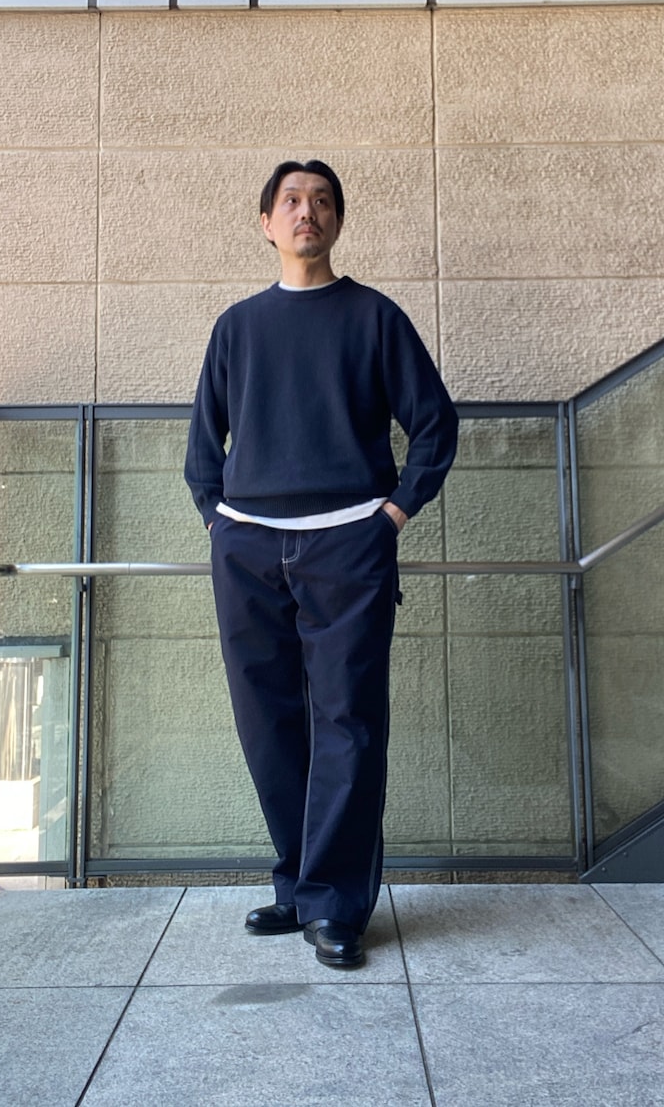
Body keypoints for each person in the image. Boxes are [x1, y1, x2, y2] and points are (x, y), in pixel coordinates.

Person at [184, 159, 458, 969]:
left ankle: (336, 905)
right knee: (267, 723)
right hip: (248, 548)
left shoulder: (374, 318)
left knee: (348, 724)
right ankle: (299, 886)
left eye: (323, 201)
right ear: (266, 223)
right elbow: (202, 448)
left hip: (348, 545)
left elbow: (435, 424)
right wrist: (220, 522)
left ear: (337, 222)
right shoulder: (237, 327)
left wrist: (392, 515)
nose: (308, 211)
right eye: (292, 200)